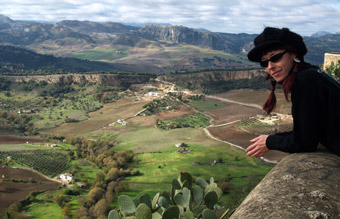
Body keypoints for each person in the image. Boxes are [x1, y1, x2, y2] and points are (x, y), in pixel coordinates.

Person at [245, 27, 340, 158]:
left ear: (294, 54)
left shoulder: (305, 81)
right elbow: (306, 129)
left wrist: (269, 142)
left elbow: (304, 142)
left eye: (275, 57)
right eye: (264, 63)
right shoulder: (311, 74)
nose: (270, 66)